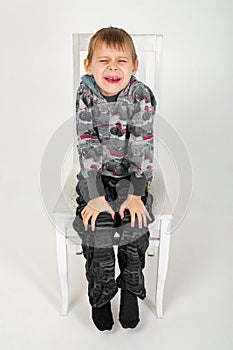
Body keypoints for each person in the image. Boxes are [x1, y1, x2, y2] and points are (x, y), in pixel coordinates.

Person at [72, 26, 157, 331]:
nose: (112, 67)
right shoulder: (85, 94)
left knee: (135, 223)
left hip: (131, 177)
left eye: (121, 61)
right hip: (95, 178)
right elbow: (87, 142)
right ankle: (102, 294)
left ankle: (131, 289)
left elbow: (141, 144)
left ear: (134, 66)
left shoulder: (141, 96)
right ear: (89, 65)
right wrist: (94, 195)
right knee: (98, 227)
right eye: (104, 60)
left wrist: (136, 193)